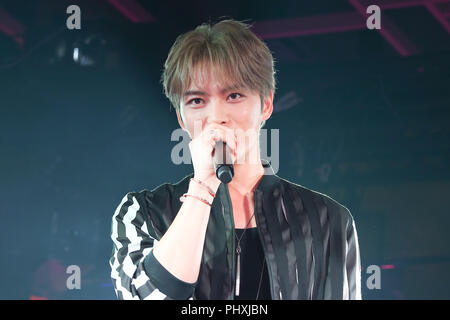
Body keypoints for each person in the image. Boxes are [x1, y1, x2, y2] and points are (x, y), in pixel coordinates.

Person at [109, 18, 362, 300]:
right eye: (196, 101)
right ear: (181, 117)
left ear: (266, 104)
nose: (217, 116)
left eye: (234, 95)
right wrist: (202, 188)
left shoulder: (328, 219)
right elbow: (147, 296)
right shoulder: (143, 213)